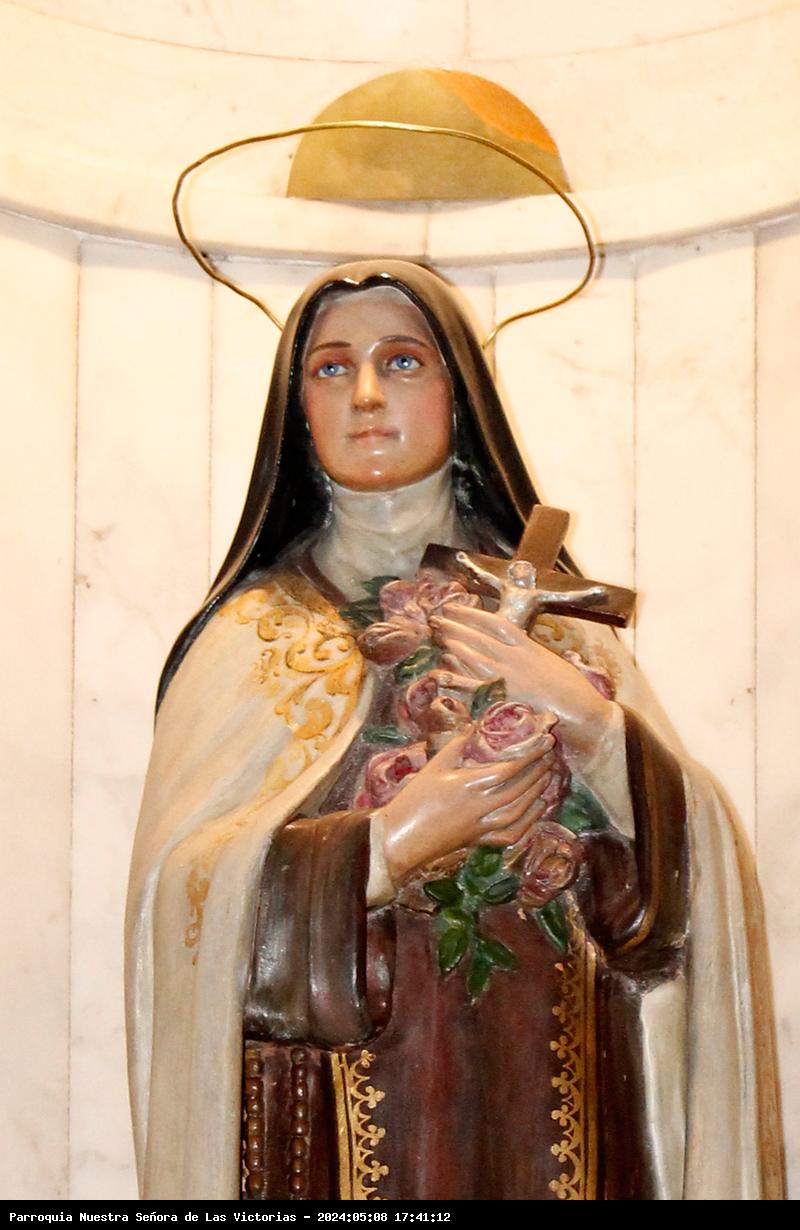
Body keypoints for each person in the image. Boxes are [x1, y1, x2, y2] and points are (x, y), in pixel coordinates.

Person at [125, 260, 783, 1201]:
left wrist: (591, 725)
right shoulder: (254, 639)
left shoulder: (560, 632)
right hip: (334, 1128)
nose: (364, 395)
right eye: (330, 368)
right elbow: (180, 902)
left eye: (401, 361)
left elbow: (681, 895)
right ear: (296, 410)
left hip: (560, 1098)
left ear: (458, 394)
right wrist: (393, 842)